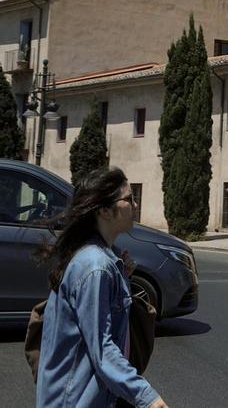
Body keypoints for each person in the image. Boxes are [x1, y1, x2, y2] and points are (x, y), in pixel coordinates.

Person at [35, 167, 168, 408]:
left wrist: (121, 277)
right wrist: (148, 399)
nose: (135, 205)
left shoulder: (100, 258)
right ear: (105, 211)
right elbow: (102, 348)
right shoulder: (95, 266)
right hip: (77, 400)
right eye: (129, 199)